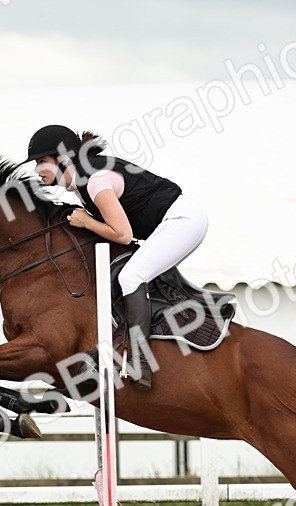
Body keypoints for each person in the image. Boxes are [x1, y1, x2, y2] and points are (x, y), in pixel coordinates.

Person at [26, 124, 209, 390]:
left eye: (42, 161)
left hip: (183, 221)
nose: (36, 170)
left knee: (132, 276)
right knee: (132, 271)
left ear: (63, 159)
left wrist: (87, 223)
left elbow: (122, 234)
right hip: (175, 221)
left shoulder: (95, 180)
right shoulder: (80, 182)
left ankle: (140, 362)